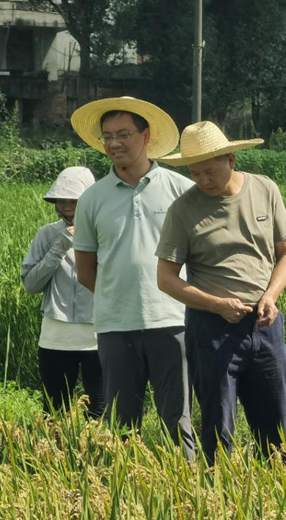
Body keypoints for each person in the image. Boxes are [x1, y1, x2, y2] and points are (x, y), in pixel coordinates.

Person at [155, 121, 286, 464]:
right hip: (212, 331)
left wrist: (271, 297)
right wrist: (215, 304)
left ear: (231, 160)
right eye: (195, 173)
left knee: (275, 426)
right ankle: (219, 497)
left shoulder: (265, 189)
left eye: (210, 171)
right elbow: (166, 279)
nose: (204, 180)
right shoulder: (183, 210)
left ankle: (276, 495)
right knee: (218, 427)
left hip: (265, 325)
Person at [70, 97, 196, 459]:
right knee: (122, 422)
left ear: (146, 136)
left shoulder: (179, 189)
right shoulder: (92, 198)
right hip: (115, 326)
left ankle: (186, 489)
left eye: (123, 134)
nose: (114, 144)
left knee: (177, 417)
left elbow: (199, 256)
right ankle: (121, 494)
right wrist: (118, 295)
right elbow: (85, 269)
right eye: (107, 136)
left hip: (172, 320)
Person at [21, 167, 105, 418]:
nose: (67, 205)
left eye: (74, 199)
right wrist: (59, 247)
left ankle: (96, 457)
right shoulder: (47, 234)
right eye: (62, 199)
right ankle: (53, 458)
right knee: (54, 411)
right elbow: (31, 285)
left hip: (98, 335)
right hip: (56, 336)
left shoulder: (105, 232)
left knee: (100, 411)